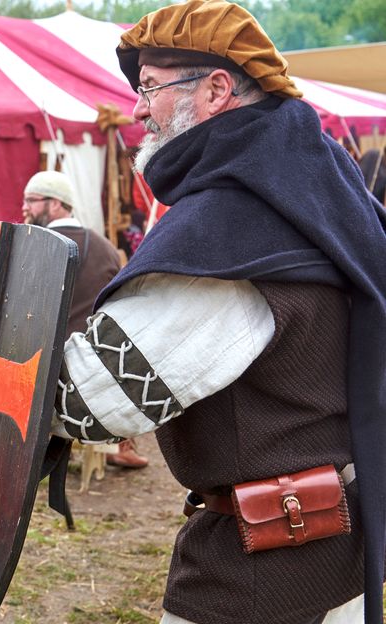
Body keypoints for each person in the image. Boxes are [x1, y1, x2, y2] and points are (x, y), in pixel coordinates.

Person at [51, 1, 385, 622]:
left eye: (150, 86)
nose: (137, 108)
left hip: (262, 575)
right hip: (332, 550)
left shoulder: (235, 227)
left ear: (216, 90)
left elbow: (92, 402)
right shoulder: (318, 191)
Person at [23, 170, 148, 469]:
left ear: (56, 205)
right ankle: (116, 445)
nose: (24, 207)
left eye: (32, 200)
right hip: (93, 363)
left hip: (38, 364)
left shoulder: (34, 245)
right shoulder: (104, 246)